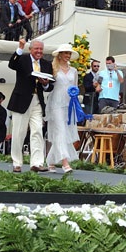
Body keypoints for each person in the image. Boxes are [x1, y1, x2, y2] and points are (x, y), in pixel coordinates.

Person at [7, 38, 53, 172]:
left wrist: (45, 84)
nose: (39, 51)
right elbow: (12, 64)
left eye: (41, 49)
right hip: (21, 101)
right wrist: (20, 47)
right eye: (36, 49)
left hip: (37, 101)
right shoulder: (22, 59)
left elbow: (50, 86)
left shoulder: (46, 64)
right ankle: (17, 163)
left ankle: (37, 163)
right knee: (18, 133)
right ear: (30, 49)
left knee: (37, 131)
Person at [45, 43, 81, 173]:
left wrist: (76, 104)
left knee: (64, 132)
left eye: (69, 53)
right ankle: (65, 162)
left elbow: (75, 88)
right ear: (60, 54)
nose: (68, 56)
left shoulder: (74, 71)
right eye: (66, 53)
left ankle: (50, 161)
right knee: (60, 131)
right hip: (56, 103)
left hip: (69, 104)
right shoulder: (53, 68)